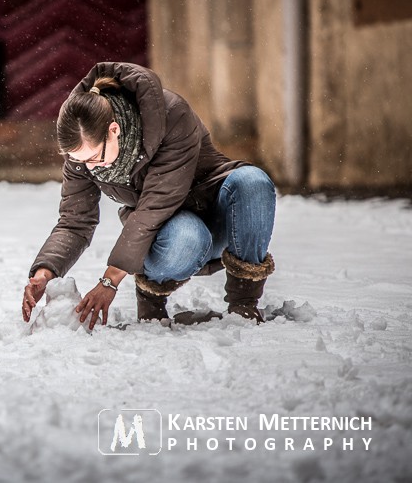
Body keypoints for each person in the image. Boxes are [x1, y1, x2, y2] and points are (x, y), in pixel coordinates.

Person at [21, 62, 276, 331]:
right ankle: (151, 296)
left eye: (95, 157)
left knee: (253, 182)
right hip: (173, 234)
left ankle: (244, 303)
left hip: (219, 213)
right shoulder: (83, 156)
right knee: (190, 236)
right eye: (81, 161)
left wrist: (110, 280)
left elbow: (155, 204)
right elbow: (75, 221)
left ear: (114, 130)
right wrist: (44, 273)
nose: (90, 167)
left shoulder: (171, 114)